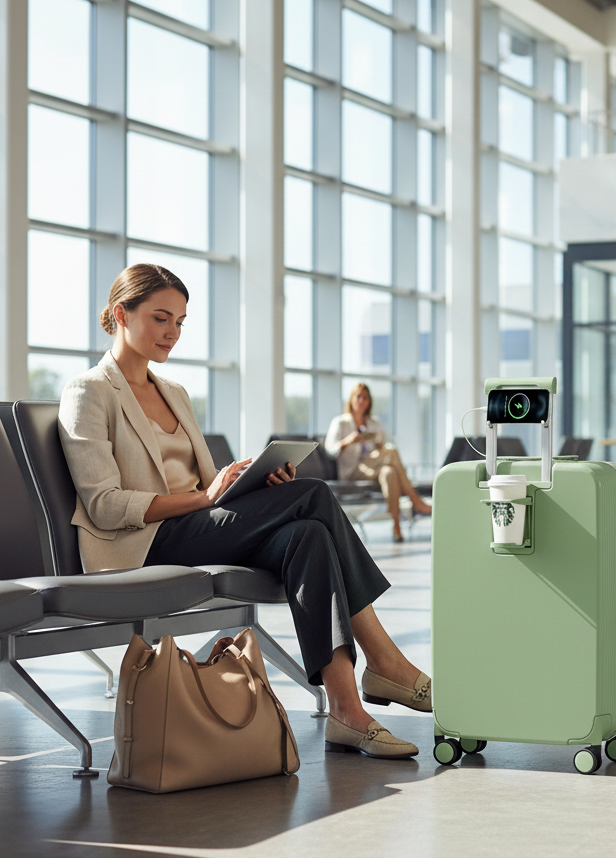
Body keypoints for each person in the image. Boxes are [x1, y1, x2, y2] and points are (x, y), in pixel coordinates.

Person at [59, 263, 432, 759]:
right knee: (316, 495)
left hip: (197, 526)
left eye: (180, 322)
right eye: (161, 318)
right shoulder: (89, 392)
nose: (172, 333)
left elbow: (208, 484)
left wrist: (251, 484)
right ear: (120, 314)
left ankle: (346, 710)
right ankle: (384, 660)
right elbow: (104, 507)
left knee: (309, 537)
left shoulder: (174, 392)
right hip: (144, 544)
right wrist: (205, 498)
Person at [325, 384, 432, 543]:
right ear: (352, 399)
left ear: (369, 401)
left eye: (365, 397)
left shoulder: (374, 422)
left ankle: (396, 524)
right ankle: (414, 500)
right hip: (352, 469)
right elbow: (329, 450)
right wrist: (349, 441)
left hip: (374, 465)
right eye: (358, 396)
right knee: (392, 452)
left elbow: (383, 443)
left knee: (389, 472)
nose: (361, 400)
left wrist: (378, 446)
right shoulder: (341, 422)